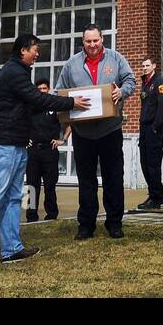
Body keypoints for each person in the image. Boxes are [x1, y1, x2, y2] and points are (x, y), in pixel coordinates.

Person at [0, 34, 89, 269]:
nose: (38, 54)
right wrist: (70, 103)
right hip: (3, 145)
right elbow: (37, 99)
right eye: (35, 50)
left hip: (16, 145)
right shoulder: (13, 72)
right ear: (23, 51)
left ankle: (12, 249)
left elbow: (34, 103)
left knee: (13, 198)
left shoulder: (19, 72)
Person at [55, 25, 137, 239]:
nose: (92, 45)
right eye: (88, 41)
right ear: (83, 42)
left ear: (102, 39)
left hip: (110, 130)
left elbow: (131, 80)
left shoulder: (116, 58)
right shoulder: (71, 64)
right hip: (83, 133)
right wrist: (70, 103)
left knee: (113, 177)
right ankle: (86, 225)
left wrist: (122, 91)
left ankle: (114, 223)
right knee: (86, 180)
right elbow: (58, 91)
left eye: (95, 41)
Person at [135, 57, 163, 210]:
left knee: (153, 165)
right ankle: (156, 194)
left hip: (154, 129)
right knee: (144, 163)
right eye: (143, 66)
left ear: (154, 66)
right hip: (144, 128)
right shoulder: (146, 82)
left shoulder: (159, 82)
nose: (145, 68)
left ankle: (156, 198)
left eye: (148, 65)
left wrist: (156, 126)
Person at [26, 79, 63, 222]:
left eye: (44, 88)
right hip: (33, 151)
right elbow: (20, 122)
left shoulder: (54, 106)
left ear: (49, 89)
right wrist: (24, 138)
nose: (42, 91)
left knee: (50, 185)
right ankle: (30, 216)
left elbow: (68, 123)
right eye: (39, 89)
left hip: (50, 151)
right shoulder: (30, 107)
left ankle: (52, 215)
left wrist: (62, 140)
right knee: (31, 186)